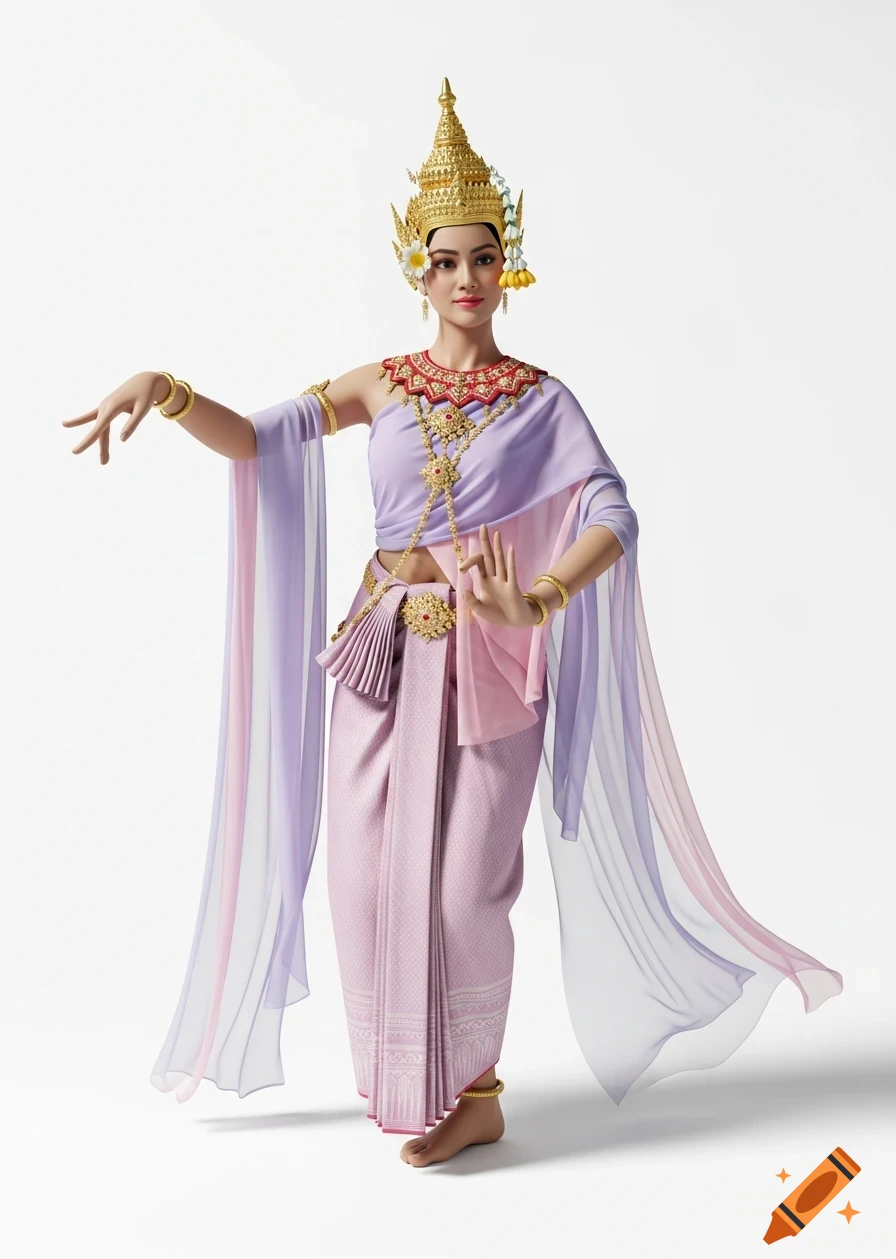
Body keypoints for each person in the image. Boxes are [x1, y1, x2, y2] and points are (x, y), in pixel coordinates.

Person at [63, 79, 842, 1168]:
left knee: (464, 887)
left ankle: (474, 1090)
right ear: (414, 266)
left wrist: (541, 596)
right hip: (380, 658)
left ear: (506, 259)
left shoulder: (540, 399)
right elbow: (260, 440)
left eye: (483, 256)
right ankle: (405, 1079)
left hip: (486, 661)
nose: (465, 278)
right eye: (444, 259)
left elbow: (611, 508)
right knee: (362, 879)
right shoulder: (379, 384)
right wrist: (170, 389)